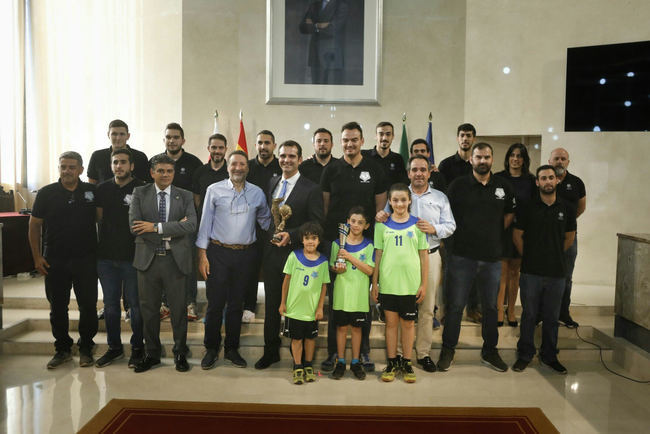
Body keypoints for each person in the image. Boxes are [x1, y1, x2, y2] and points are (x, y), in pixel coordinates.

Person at [437, 142, 515, 373]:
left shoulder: (503, 186)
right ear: (471, 159)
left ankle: (490, 351)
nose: (483, 161)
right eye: (478, 157)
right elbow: (446, 217)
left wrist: (489, 235)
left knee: (491, 307)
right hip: (462, 257)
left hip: (491, 258)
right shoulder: (457, 186)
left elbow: (509, 216)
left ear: (492, 159)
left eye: (487, 157)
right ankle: (448, 349)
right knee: (456, 306)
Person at [377, 155, 456, 372]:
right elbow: (385, 217)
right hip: (401, 260)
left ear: (429, 173)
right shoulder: (399, 194)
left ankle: (422, 354)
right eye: (414, 170)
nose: (419, 173)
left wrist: (435, 229)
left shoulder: (440, 197)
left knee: (427, 307)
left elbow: (451, 225)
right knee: (402, 309)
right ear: (409, 173)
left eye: (423, 169)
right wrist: (381, 216)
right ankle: (402, 356)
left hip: (429, 255)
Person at [320, 121, 388, 372]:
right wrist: (334, 240)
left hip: (366, 244)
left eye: (354, 139)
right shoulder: (331, 170)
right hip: (336, 242)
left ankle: (364, 353)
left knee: (363, 300)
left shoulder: (375, 168)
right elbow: (326, 206)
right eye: (346, 140)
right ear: (341, 142)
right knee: (335, 298)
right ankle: (332, 354)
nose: (350, 144)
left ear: (362, 140)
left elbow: (380, 207)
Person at [196, 151, 272, 370]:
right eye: (234, 164)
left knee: (237, 304)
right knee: (215, 304)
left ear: (247, 168)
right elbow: (205, 223)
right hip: (218, 253)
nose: (238, 168)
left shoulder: (257, 193)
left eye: (242, 164)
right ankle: (211, 348)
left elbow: (266, 220)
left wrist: (282, 228)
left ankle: (232, 349)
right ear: (227, 167)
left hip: (245, 255)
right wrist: (202, 255)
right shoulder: (214, 190)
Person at [255, 140, 324, 370]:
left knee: (300, 304)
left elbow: (316, 222)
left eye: (291, 156)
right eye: (283, 156)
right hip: (273, 255)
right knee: (274, 304)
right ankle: (270, 351)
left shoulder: (311, 188)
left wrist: (291, 235)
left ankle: (303, 358)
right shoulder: (273, 182)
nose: (286, 160)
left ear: (300, 159)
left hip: (299, 256)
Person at [28, 151, 98, 369]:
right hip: (55, 260)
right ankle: (62, 349)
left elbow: (102, 219)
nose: (66, 171)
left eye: (71, 167)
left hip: (86, 259)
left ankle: (86, 346)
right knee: (58, 306)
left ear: (81, 170)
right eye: (63, 167)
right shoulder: (47, 193)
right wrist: (37, 257)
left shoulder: (91, 192)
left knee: (88, 305)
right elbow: (34, 225)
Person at [129, 153, 197, 373]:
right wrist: (173, 227)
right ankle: (152, 354)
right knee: (148, 311)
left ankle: (180, 352)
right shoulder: (140, 193)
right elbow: (135, 226)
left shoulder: (184, 195)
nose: (165, 175)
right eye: (161, 171)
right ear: (152, 173)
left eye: (169, 171)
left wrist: (156, 227)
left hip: (175, 261)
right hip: (147, 261)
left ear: (174, 173)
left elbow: (191, 226)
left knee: (178, 310)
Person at [512, 165, 576, 374]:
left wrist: (553, 254)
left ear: (556, 180)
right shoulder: (527, 206)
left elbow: (569, 237)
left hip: (557, 272)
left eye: (551, 177)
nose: (548, 181)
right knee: (529, 314)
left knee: (551, 316)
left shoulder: (566, 208)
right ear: (537, 182)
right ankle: (525, 354)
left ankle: (549, 356)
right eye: (543, 178)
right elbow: (517, 235)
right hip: (531, 271)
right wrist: (530, 257)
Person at [372, 183, 429, 383]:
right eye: (395, 200)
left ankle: (406, 362)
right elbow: (378, 255)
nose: (399, 204)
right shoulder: (381, 226)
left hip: (410, 285)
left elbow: (424, 257)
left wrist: (423, 284)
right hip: (388, 285)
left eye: (403, 200)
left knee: (408, 325)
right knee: (391, 324)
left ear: (409, 200)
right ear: (389, 201)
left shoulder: (418, 224)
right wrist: (375, 283)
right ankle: (392, 362)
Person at [95, 149, 145, 368]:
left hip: (133, 258)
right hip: (106, 258)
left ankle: (137, 348)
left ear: (131, 166)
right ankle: (114, 348)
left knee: (135, 305)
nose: (119, 166)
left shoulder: (143, 188)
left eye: (123, 162)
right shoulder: (102, 188)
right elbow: (97, 219)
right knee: (111, 306)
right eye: (115, 162)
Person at [437, 123, 481, 323]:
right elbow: (442, 198)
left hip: (474, 227)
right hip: (451, 226)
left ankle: (473, 308)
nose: (465, 139)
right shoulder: (446, 165)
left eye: (469, 135)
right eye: (462, 135)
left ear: (473, 139)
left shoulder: (478, 164)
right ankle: (448, 310)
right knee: (450, 271)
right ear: (457, 138)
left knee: (475, 269)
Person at [159, 123, 203, 322]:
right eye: (168, 137)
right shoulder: (156, 161)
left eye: (176, 137)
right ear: (164, 139)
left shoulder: (193, 163)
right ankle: (165, 303)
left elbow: (196, 198)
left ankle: (189, 302)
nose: (172, 140)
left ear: (183, 140)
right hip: (161, 222)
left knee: (187, 264)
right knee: (163, 262)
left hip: (186, 223)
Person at [279, 222, 330, 385]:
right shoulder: (294, 256)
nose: (310, 242)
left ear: (319, 241)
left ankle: (308, 365)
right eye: (307, 238)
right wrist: (282, 303)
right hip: (294, 308)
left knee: (310, 339)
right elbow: (286, 281)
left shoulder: (323, 261)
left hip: (311, 309)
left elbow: (323, 286)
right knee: (297, 339)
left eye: (314, 238)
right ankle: (298, 366)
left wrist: (320, 307)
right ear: (302, 240)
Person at [329, 206, 375, 380]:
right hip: (342, 294)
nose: (356, 225)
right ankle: (340, 361)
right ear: (347, 222)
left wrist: (349, 257)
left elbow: (370, 271)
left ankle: (355, 362)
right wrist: (338, 267)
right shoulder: (337, 243)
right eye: (353, 221)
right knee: (341, 328)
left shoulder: (369, 245)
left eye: (360, 222)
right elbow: (334, 267)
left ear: (366, 225)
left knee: (357, 329)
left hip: (359, 296)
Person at [494, 143, 537, 327]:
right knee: (502, 272)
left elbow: (534, 206)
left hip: (522, 231)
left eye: (519, 156)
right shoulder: (498, 178)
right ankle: (498, 311)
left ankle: (511, 310)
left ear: (524, 159)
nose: (515, 159)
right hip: (502, 229)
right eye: (512, 155)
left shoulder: (531, 180)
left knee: (515, 272)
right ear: (508, 157)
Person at [244, 130, 282, 324]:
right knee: (250, 268)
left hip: (275, 229)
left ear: (274, 145)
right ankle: (249, 306)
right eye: (260, 143)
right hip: (250, 227)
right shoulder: (248, 167)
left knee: (273, 270)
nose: (263, 146)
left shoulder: (282, 165)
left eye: (267, 143)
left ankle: (277, 307)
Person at [549, 147, 586, 329]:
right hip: (545, 238)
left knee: (566, 276)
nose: (560, 162)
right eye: (556, 158)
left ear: (568, 162)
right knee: (544, 275)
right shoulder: (544, 180)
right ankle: (543, 312)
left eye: (563, 158)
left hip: (568, 237)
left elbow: (581, 207)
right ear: (550, 161)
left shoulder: (576, 182)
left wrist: (566, 224)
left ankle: (563, 312)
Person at [299, 0, 350, 85]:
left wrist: (313, 25)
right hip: (315, 55)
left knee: (331, 92)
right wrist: (318, 26)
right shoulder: (314, 5)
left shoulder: (341, 6)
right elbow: (302, 27)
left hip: (332, 55)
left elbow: (332, 30)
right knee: (316, 90)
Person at [87, 119, 150, 184]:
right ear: (108, 135)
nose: (118, 138)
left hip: (134, 194)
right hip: (104, 193)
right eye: (114, 134)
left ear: (128, 136)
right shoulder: (97, 156)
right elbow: (92, 184)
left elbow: (147, 184)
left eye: (122, 134)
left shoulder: (140, 157)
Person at [361, 121, 408, 187]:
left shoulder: (398, 159)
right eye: (381, 134)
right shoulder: (363, 155)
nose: (384, 138)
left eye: (388, 134)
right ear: (376, 136)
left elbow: (403, 184)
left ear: (393, 137)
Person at [192, 133, 229, 214]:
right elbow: (197, 198)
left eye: (221, 148)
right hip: (203, 219)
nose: (217, 151)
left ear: (226, 149)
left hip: (226, 220)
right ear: (208, 148)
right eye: (214, 147)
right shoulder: (200, 171)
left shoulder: (231, 172)